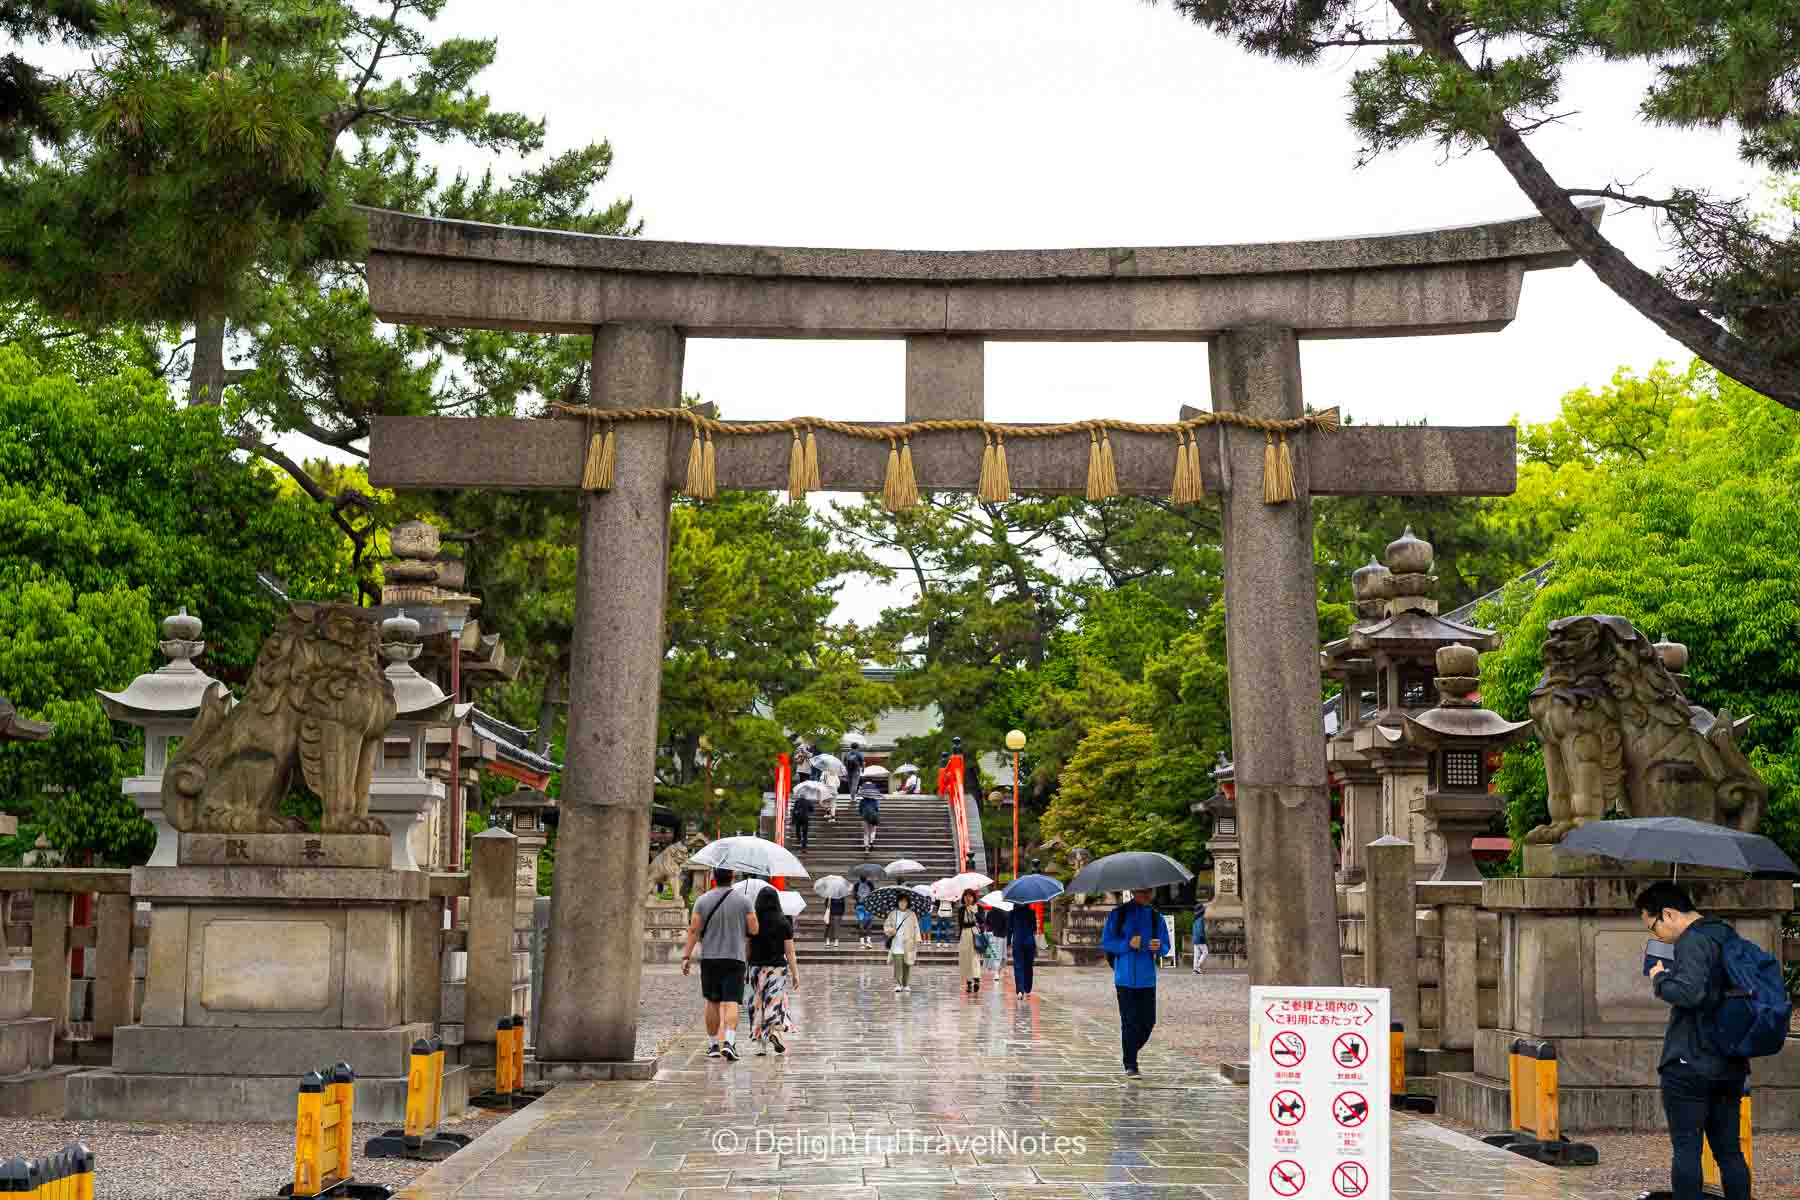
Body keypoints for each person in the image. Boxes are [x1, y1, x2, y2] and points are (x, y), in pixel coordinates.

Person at [1637, 881, 1752, 1200]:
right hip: (1729, 1060)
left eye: (1654, 926)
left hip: (1690, 1062)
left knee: (1687, 1148)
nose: (1656, 936)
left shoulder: (1692, 941)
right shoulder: (1725, 934)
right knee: (1729, 1152)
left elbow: (1690, 994)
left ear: (1669, 913)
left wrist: (1659, 978)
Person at [681, 867, 759, 1061]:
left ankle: (713, 1045)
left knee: (712, 1001)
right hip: (735, 957)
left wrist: (686, 956)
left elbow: (693, 930)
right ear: (732, 877)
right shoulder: (744, 901)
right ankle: (730, 1043)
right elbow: (754, 929)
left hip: (710, 958)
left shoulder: (702, 900)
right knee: (732, 1001)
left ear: (714, 877)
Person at [1100, 887, 1171, 1078]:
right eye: (1142, 891)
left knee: (1148, 1022)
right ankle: (1131, 1064)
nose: (1146, 895)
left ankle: (1129, 1050)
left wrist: (1159, 947)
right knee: (1129, 1022)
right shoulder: (1119, 914)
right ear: (1133, 891)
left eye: (1149, 891)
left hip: (1147, 978)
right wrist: (1127, 944)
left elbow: (1166, 946)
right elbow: (1107, 943)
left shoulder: (1157, 917)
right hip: (1124, 977)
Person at [746, 887, 799, 1055]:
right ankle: (775, 1031)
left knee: (758, 1003)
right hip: (777, 968)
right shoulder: (784, 922)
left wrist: (747, 966)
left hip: (756, 967)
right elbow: (789, 951)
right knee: (774, 1002)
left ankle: (760, 1043)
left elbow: (747, 946)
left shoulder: (753, 921)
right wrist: (795, 973)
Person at [884, 892, 922, 993]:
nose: (903, 903)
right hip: (897, 943)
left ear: (907, 903)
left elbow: (916, 927)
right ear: (898, 902)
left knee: (907, 964)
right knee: (898, 964)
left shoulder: (911, 914)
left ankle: (905, 984)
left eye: (905, 901)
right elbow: (886, 925)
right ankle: (898, 983)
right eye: (901, 901)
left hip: (908, 943)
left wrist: (917, 939)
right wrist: (890, 930)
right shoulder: (893, 913)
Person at [1009, 899, 1039, 996]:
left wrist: (1008, 942)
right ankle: (1027, 987)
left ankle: (1020, 990)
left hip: (1017, 941)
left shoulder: (1012, 913)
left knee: (1018, 965)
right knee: (1028, 965)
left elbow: (1009, 929)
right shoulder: (1031, 913)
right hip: (1029, 941)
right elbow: (1034, 928)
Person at [957, 888, 984, 994]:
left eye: (970, 896)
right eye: (966, 896)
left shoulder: (979, 908)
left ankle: (976, 980)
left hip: (975, 934)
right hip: (965, 935)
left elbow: (982, 920)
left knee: (975, 958)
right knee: (966, 959)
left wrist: (974, 912)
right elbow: (961, 924)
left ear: (973, 897)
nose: (968, 898)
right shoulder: (961, 909)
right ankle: (968, 983)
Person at [983, 900, 1009, 978]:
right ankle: (997, 972)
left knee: (994, 954)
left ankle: (996, 970)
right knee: (1001, 954)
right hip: (1002, 936)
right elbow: (1007, 926)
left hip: (992, 935)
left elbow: (986, 923)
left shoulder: (990, 912)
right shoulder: (1005, 913)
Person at [853, 876, 875, 947]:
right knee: (861, 924)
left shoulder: (870, 884)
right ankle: (862, 942)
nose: (863, 877)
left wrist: (869, 897)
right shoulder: (857, 885)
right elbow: (854, 895)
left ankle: (868, 941)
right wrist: (858, 897)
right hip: (860, 906)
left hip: (869, 906)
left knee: (869, 924)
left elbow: (874, 893)